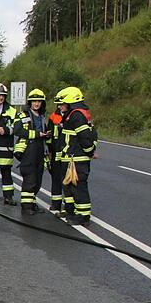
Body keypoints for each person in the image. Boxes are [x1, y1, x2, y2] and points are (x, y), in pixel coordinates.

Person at [58, 86, 97, 225]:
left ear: (70, 102)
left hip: (77, 159)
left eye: (62, 104)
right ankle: (71, 210)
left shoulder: (77, 116)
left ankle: (83, 216)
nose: (60, 107)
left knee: (79, 187)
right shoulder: (71, 115)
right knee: (69, 186)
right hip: (70, 158)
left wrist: (89, 151)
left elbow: (85, 137)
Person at [13, 88, 50, 215]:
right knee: (30, 178)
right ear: (30, 102)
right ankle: (26, 206)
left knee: (38, 179)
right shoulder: (23, 115)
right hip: (29, 148)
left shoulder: (42, 116)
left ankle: (32, 203)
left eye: (39, 101)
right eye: (34, 101)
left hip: (40, 149)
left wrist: (46, 135)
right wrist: (37, 134)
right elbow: (18, 131)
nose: (36, 104)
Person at [47, 93, 67, 215]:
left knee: (67, 179)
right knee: (56, 178)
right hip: (55, 152)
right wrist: (49, 151)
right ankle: (56, 203)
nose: (60, 106)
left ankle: (68, 205)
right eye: (59, 104)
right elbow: (49, 135)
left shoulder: (71, 116)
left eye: (63, 104)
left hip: (67, 153)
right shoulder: (53, 116)